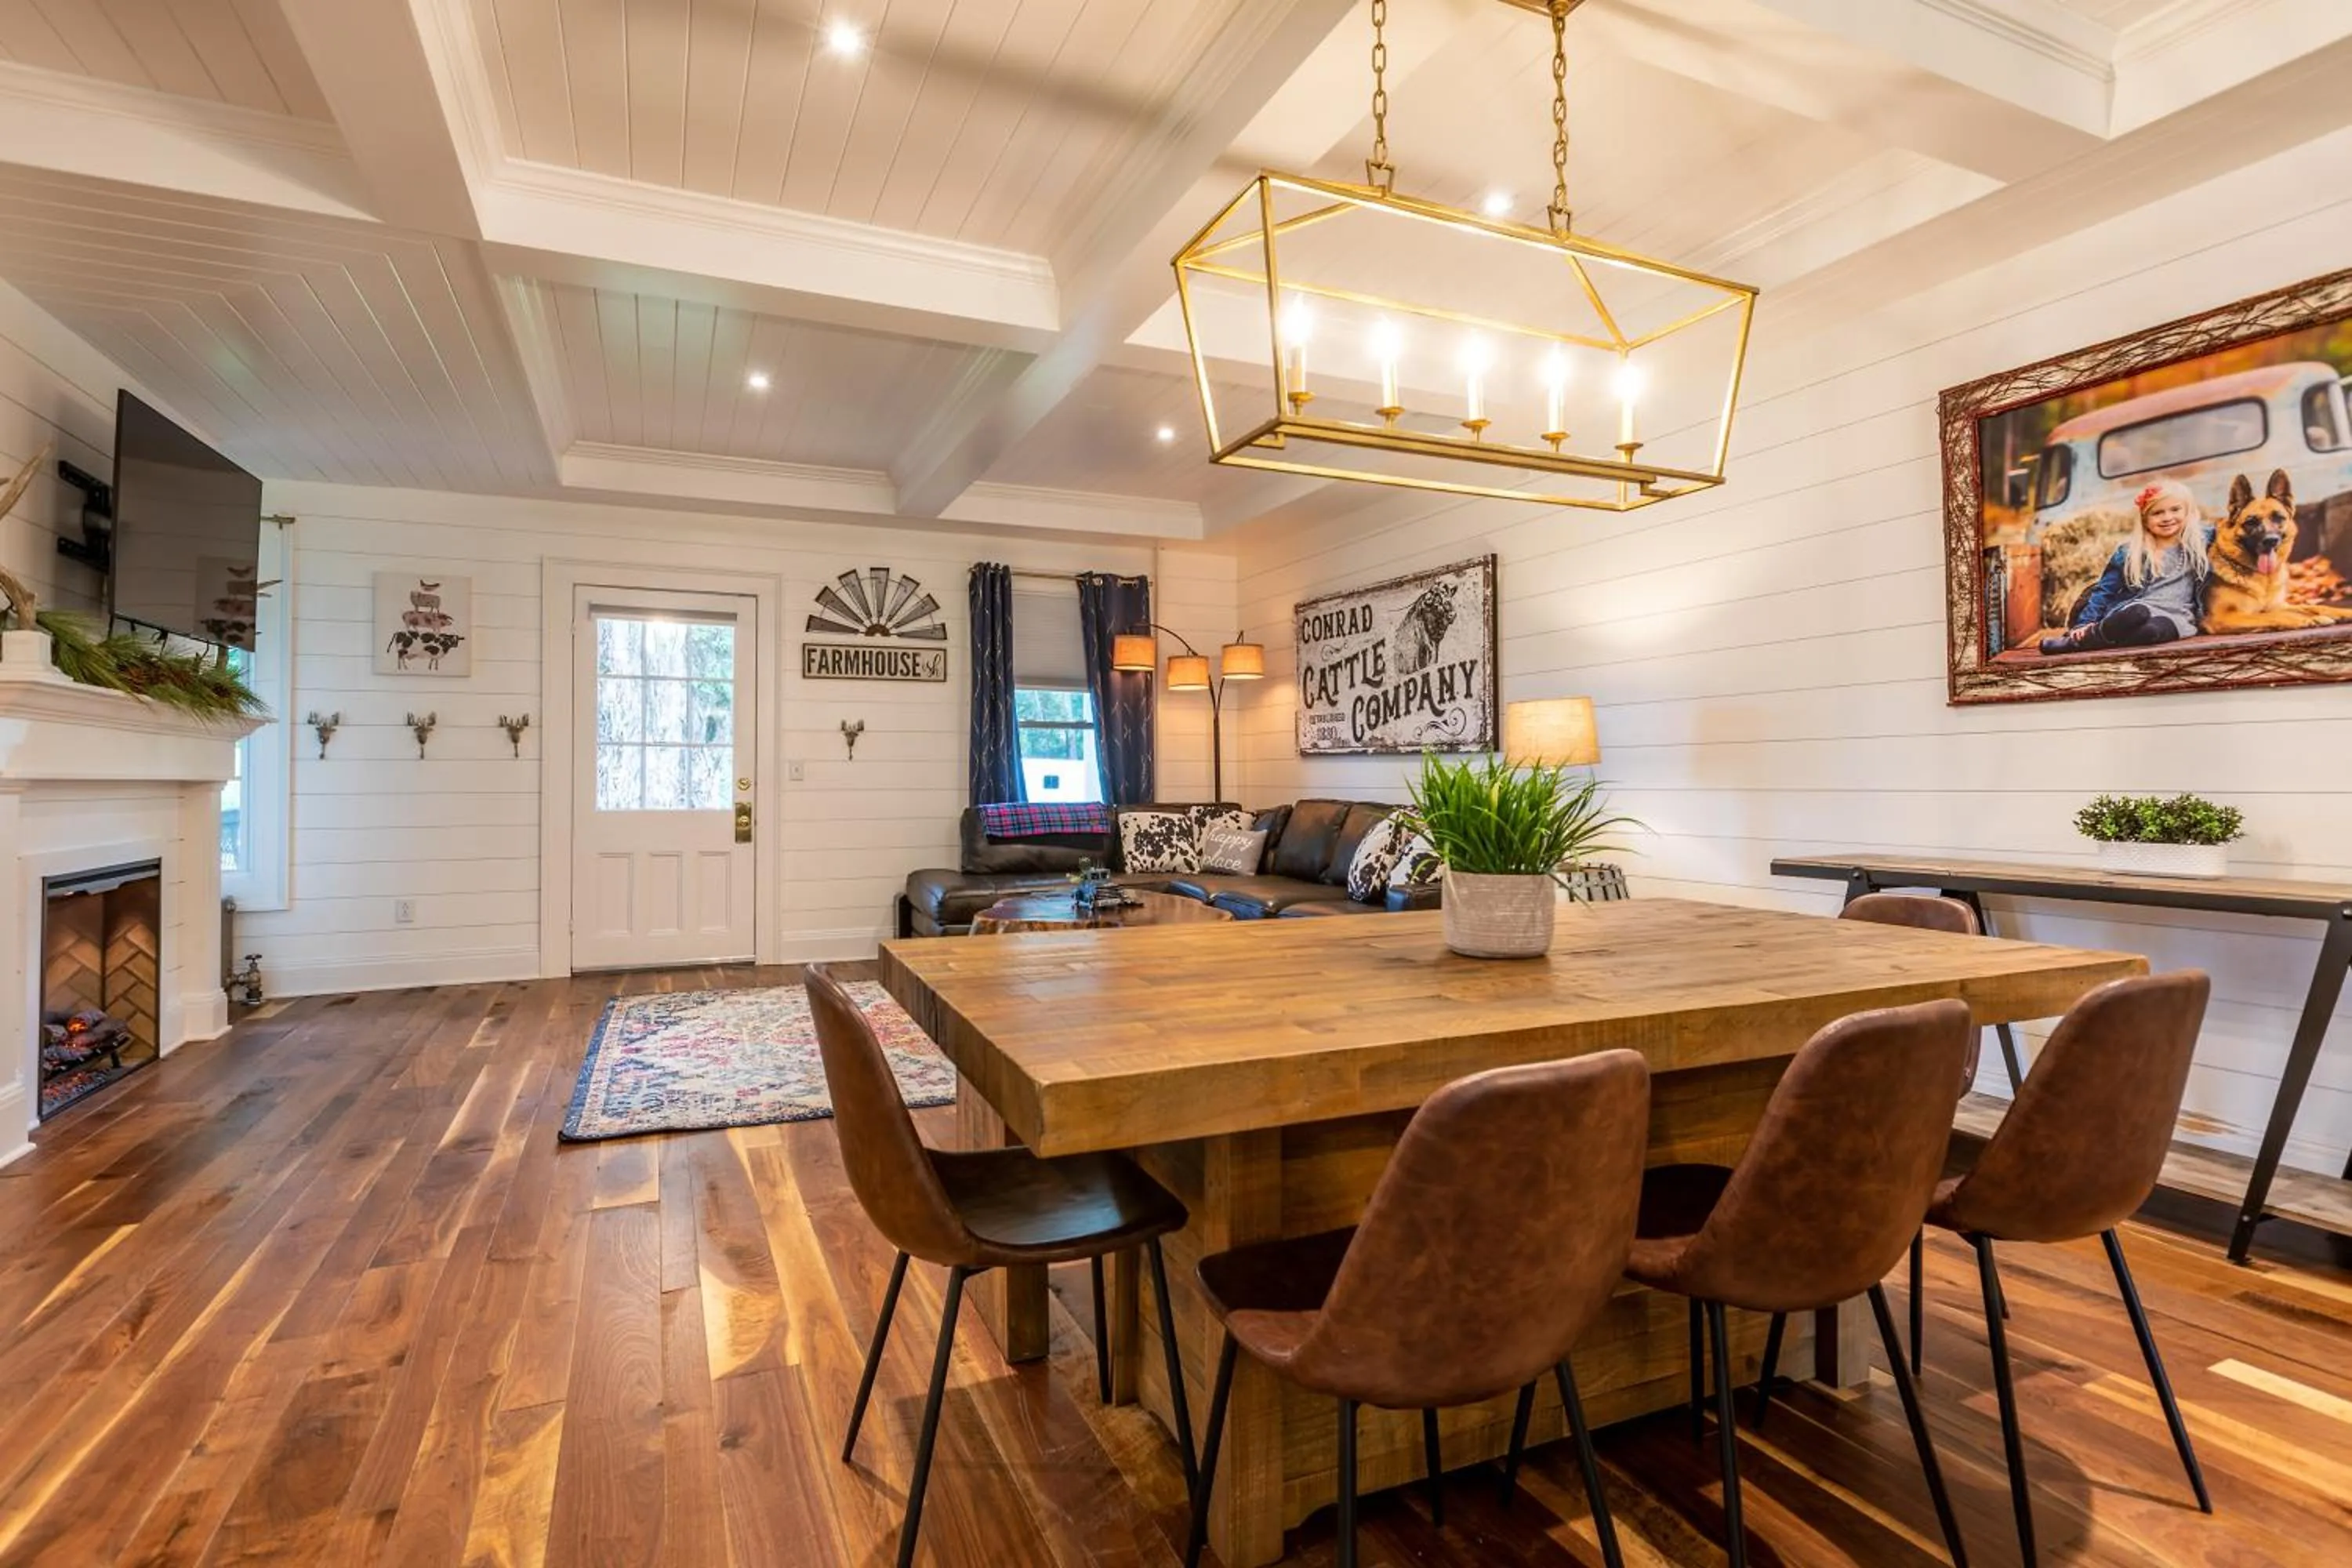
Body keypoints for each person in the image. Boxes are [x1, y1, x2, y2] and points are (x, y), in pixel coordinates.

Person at [2040, 478, 2212, 653]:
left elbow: (2235, 533)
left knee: (2151, 632)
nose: (2167, 518)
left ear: (2188, 511)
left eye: (2175, 510)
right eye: (2158, 513)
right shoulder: (2130, 552)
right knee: (2137, 612)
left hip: (2178, 618)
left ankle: (2092, 641)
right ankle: (2078, 640)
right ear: (2145, 519)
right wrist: (2083, 624)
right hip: (2135, 612)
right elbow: (2104, 591)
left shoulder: (2200, 541)